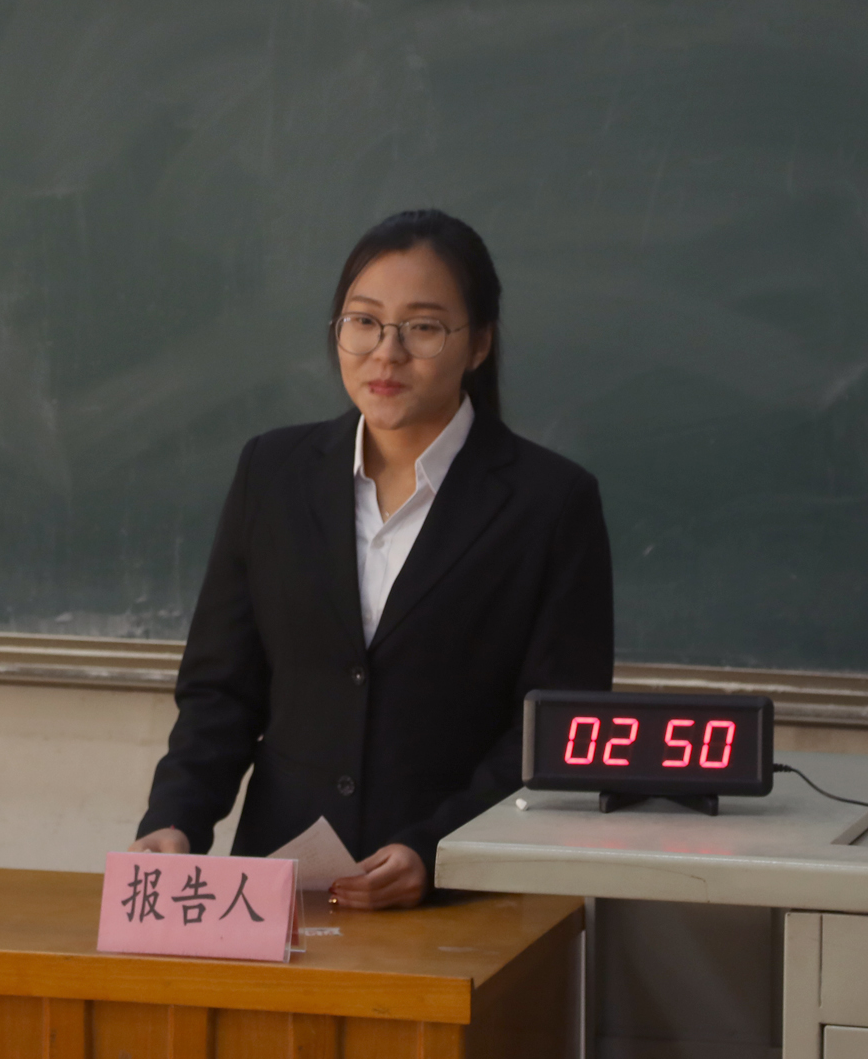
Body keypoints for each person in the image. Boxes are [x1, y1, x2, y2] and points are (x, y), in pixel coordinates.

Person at [132, 209, 613, 909]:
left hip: (464, 900)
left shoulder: (551, 502)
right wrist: (175, 819)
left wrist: (434, 850)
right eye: (364, 322)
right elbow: (220, 692)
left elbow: (556, 730)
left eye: (423, 327)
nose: (387, 353)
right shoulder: (272, 472)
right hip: (278, 895)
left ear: (479, 343)